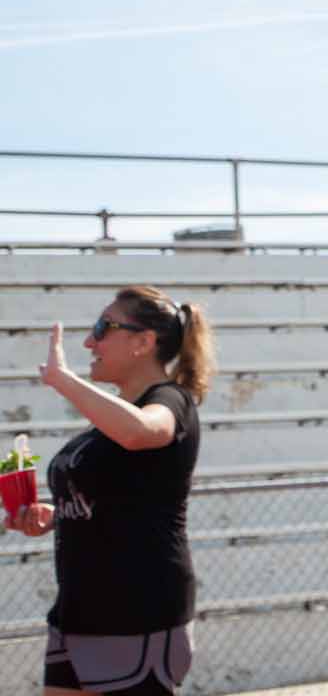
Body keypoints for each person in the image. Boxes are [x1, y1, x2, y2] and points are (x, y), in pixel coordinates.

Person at [4, 286, 216, 696]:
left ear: (143, 342)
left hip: (137, 612)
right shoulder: (109, 419)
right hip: (79, 613)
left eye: (103, 328)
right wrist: (57, 514)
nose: (89, 342)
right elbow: (118, 498)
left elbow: (142, 431)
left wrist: (64, 381)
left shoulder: (169, 400)